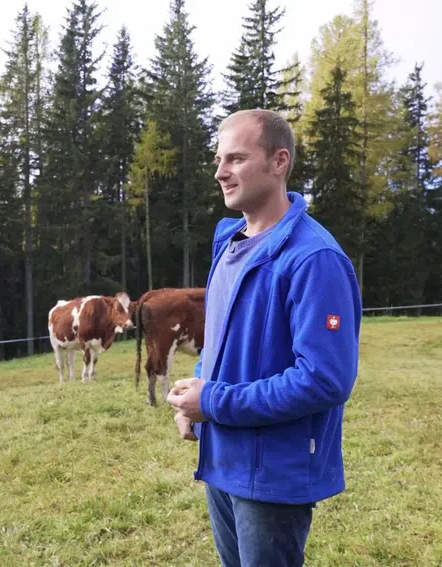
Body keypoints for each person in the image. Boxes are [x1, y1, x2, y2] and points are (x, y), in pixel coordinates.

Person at [166, 109, 362, 567]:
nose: (220, 172)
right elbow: (222, 341)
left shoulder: (315, 259)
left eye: (235, 158)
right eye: (218, 159)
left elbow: (325, 380)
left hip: (273, 473)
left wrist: (212, 401)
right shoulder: (229, 243)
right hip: (222, 459)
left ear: (279, 161)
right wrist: (193, 394)